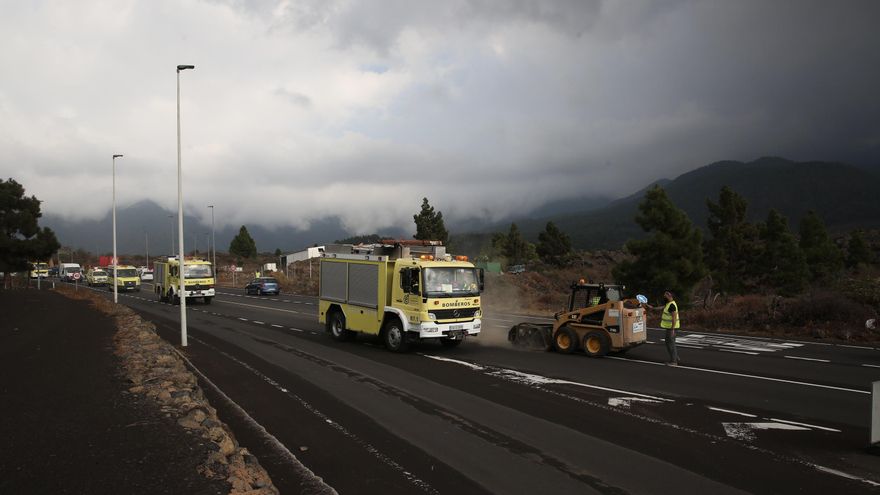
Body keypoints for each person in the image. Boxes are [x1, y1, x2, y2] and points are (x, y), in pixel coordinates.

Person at [644, 290, 680, 366]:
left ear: (670, 296)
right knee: (670, 343)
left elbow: (674, 318)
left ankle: (674, 362)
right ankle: (675, 357)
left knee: (670, 344)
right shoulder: (669, 304)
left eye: (665, 295)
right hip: (670, 327)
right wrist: (652, 307)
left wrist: (672, 329)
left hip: (671, 328)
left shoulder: (672, 305)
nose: (664, 296)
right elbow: (661, 308)